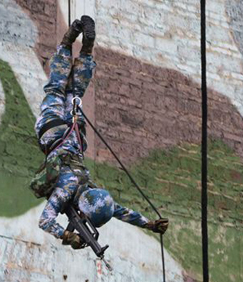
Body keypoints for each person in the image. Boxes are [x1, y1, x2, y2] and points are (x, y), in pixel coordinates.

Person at [34, 15, 168, 249]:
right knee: (58, 87)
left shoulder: (96, 197)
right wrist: (65, 235)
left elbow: (121, 212)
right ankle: (68, 44)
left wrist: (150, 225)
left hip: (73, 134)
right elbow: (45, 220)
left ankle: (83, 47)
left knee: (74, 91)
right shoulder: (70, 190)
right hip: (53, 131)